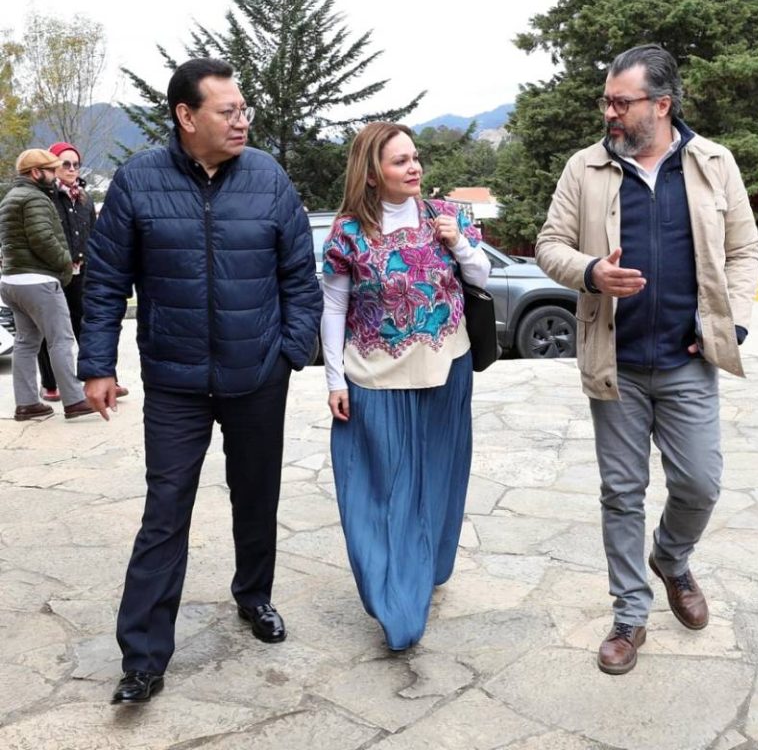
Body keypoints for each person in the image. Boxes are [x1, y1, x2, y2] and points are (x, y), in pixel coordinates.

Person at [77, 57, 323, 703]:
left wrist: (289, 353)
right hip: (174, 381)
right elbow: (105, 281)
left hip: (257, 375)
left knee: (256, 496)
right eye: (228, 111)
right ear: (186, 116)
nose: (242, 121)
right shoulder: (137, 181)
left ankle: (254, 596)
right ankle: (143, 659)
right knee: (165, 511)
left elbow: (301, 277)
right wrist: (98, 364)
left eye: (244, 110)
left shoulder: (268, 178)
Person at [535, 44, 758, 675]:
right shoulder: (585, 168)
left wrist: (735, 321)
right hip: (617, 362)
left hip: (690, 361)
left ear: (661, 105)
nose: (609, 112)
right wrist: (590, 272)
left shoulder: (714, 162)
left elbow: (744, 249)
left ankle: (671, 557)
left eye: (621, 102)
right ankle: (630, 614)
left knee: (700, 483)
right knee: (621, 492)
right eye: (606, 101)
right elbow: (549, 244)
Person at [321, 121, 491, 650]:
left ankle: (425, 568)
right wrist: (334, 380)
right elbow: (333, 307)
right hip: (374, 378)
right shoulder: (347, 233)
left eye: (414, 157)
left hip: (447, 369)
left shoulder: (447, 216)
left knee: (440, 478)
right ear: (372, 173)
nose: (414, 167)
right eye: (400, 161)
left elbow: (481, 277)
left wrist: (458, 243)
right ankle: (395, 602)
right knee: (382, 491)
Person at [0, 149, 95, 421]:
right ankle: (74, 400)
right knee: (61, 340)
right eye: (51, 170)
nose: (55, 175)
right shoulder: (36, 198)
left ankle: (27, 403)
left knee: (25, 342)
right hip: (38, 281)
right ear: (36, 172)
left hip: (12, 280)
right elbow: (42, 239)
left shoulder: (11, 197)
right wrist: (66, 263)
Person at [36, 142, 129, 403]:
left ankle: (104, 378)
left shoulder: (84, 198)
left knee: (88, 323)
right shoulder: (44, 197)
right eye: (65, 164)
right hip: (52, 272)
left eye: (76, 164)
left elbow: (94, 234)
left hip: (82, 271)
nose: (72, 169)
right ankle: (50, 384)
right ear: (53, 165)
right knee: (49, 330)